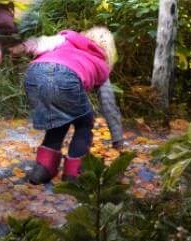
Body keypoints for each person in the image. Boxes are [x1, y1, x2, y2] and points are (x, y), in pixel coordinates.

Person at [11, 26, 115, 185]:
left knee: (58, 119)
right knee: (84, 123)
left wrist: (23, 47)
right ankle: (73, 173)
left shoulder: (67, 40)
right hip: (66, 77)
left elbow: (41, 42)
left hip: (34, 74)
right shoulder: (101, 64)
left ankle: (43, 168)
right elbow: (108, 104)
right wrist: (117, 137)